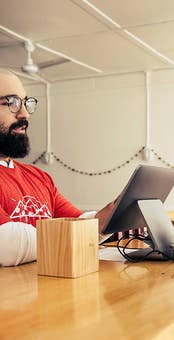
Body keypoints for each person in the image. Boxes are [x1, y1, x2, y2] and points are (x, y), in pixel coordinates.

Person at [0, 68, 115, 267]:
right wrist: (82, 233)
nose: (24, 114)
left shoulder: (38, 177)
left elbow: (77, 222)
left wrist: (105, 219)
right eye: (11, 103)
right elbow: (7, 246)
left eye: (25, 102)